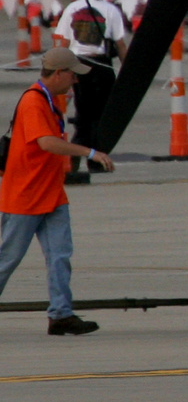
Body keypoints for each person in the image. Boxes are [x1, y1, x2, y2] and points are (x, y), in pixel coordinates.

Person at [0, 48, 113, 335]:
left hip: (51, 195)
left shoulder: (51, 102)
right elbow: (47, 143)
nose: (75, 80)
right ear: (59, 73)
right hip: (25, 197)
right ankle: (61, 312)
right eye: (72, 74)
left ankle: (61, 314)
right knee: (7, 259)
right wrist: (90, 152)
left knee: (60, 256)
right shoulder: (34, 102)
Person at [53, 0, 130, 175]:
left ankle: (77, 154)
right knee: (103, 115)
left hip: (78, 65)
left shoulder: (72, 8)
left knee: (83, 113)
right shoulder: (110, 10)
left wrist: (59, 67)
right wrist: (128, 70)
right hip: (102, 65)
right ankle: (97, 158)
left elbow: (65, 42)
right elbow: (120, 44)